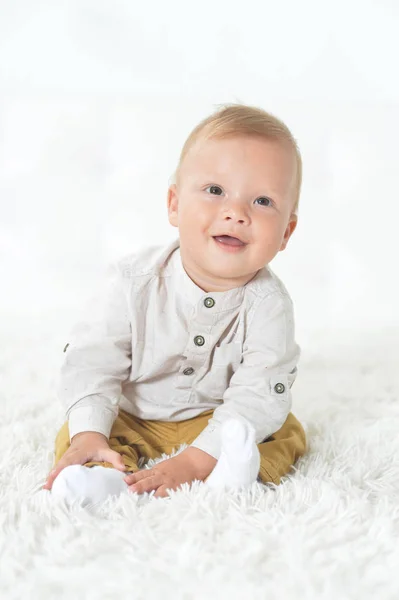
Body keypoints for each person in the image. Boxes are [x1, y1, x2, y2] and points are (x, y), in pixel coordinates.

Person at [42, 103, 307, 506]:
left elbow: (257, 392)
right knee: (80, 428)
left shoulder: (269, 305)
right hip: (133, 415)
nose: (235, 213)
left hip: (212, 417)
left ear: (286, 232)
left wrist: (198, 460)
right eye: (215, 190)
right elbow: (92, 360)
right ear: (174, 204)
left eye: (263, 201)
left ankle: (236, 474)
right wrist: (90, 432)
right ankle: (101, 477)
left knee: (284, 429)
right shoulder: (133, 282)